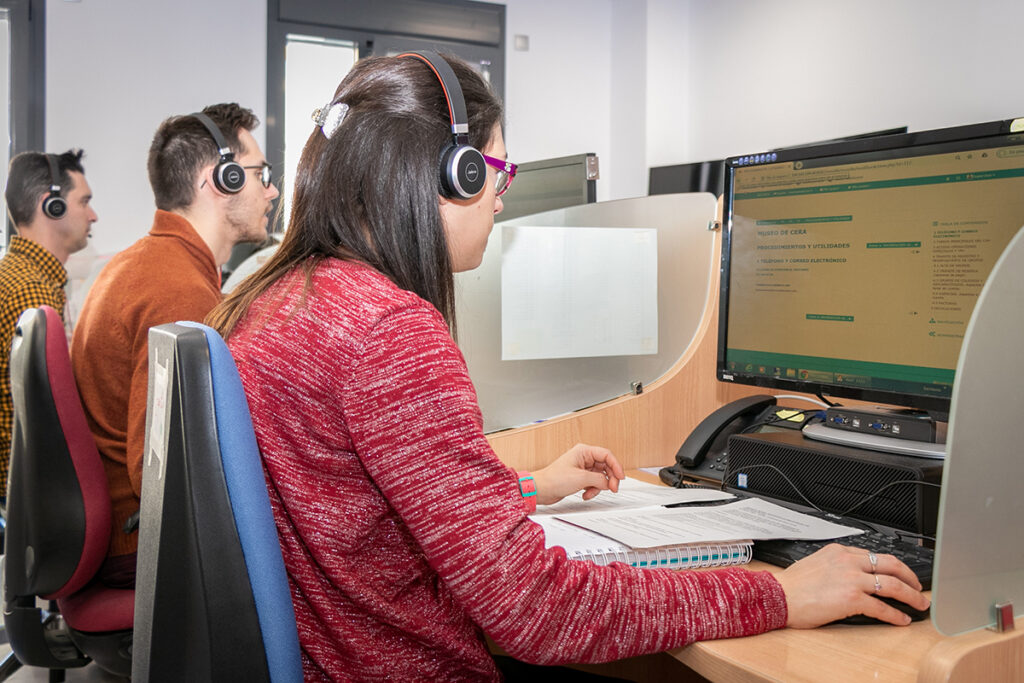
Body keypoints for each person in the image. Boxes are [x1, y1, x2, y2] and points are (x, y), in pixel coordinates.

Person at [207, 53, 929, 681]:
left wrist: (525, 486)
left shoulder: (270, 298)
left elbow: (353, 502)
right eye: (494, 168)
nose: (501, 191)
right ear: (448, 174)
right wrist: (780, 595)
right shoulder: (388, 331)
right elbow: (537, 609)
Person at [71, 103, 279, 587]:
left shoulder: (143, 264)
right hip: (137, 545)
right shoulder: (178, 293)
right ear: (220, 179)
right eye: (258, 173)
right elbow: (162, 473)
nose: (270, 189)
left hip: (114, 527)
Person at [1, 150, 97, 501]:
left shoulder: (19, 276)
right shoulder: (33, 291)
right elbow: (48, 415)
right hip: (25, 495)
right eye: (83, 201)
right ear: (51, 205)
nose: (93, 215)